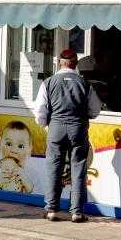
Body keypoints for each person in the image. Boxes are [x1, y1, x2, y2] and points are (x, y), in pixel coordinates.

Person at [34, 49, 101, 223]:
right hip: (78, 129)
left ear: (59, 63)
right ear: (75, 63)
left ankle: (51, 210)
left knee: (53, 167)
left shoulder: (48, 82)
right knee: (78, 168)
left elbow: (40, 111)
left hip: (56, 128)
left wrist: (45, 125)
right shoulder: (85, 84)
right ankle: (77, 212)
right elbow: (95, 110)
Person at [0, 121, 34, 193]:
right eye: (9, 144)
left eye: (21, 146)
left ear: (29, 149)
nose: (14, 150)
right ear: (0, 144)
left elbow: (37, 195)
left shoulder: (32, 174)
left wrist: (26, 182)